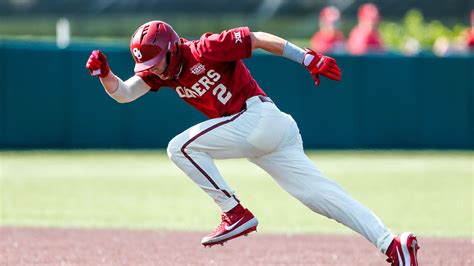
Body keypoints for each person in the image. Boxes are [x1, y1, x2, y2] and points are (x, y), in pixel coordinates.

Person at [85, 20, 419, 265]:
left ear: (172, 49)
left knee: (180, 148)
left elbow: (257, 39)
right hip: (263, 133)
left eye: (155, 63)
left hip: (259, 118)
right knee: (323, 198)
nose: (153, 71)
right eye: (147, 65)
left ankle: (234, 213)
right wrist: (105, 76)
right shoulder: (162, 73)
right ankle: (393, 245)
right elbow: (125, 94)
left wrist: (306, 58)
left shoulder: (205, 48)